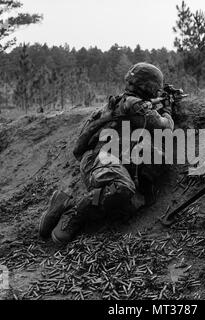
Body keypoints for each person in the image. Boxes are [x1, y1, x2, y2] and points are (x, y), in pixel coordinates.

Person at [38, 62, 175, 244]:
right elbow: (165, 127)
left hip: (109, 159)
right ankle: (74, 211)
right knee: (123, 188)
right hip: (99, 160)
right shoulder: (134, 105)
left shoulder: (119, 102)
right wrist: (168, 109)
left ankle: (63, 205)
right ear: (149, 86)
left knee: (131, 205)